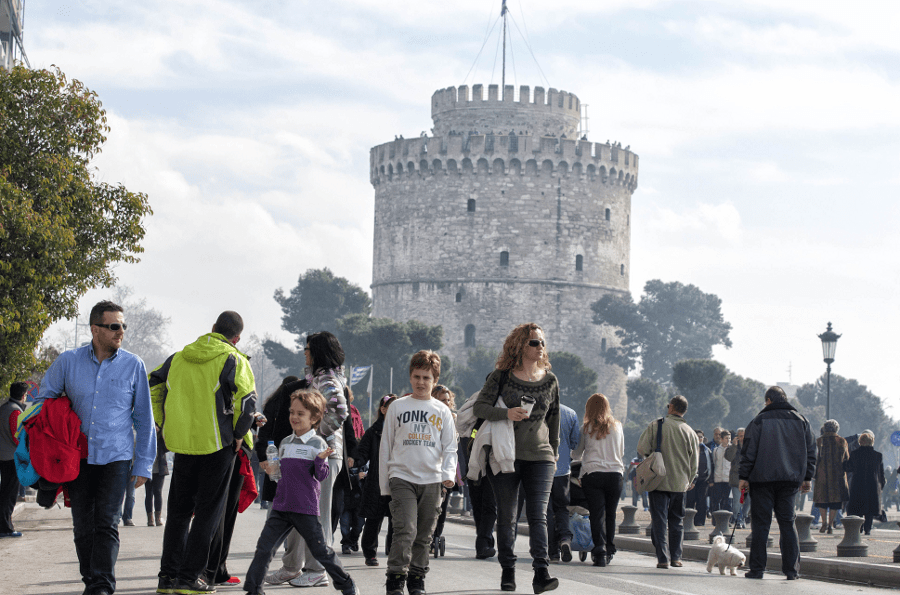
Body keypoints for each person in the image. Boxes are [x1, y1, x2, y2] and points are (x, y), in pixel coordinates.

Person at [38, 300, 156, 595]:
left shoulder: (133, 365)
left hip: (116, 457)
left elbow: (144, 418)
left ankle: (102, 584)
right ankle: (91, 579)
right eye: (114, 326)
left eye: (123, 326)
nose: (121, 332)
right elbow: (43, 402)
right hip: (77, 459)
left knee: (107, 522)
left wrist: (143, 464)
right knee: (82, 527)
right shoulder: (68, 362)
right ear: (95, 329)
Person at [150, 310, 257, 595]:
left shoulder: (178, 357)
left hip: (182, 444)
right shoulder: (234, 358)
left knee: (178, 512)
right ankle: (189, 578)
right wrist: (237, 435)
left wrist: (164, 421)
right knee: (208, 513)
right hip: (218, 446)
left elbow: (153, 386)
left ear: (212, 328)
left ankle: (168, 578)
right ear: (236, 338)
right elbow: (248, 403)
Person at [473, 323, 560, 594]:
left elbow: (554, 417)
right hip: (505, 455)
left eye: (542, 342)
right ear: (520, 345)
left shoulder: (551, 380)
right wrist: (507, 414)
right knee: (508, 517)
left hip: (541, 456)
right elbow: (480, 407)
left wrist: (554, 452)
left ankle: (541, 572)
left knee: (538, 516)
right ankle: (508, 570)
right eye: (534, 342)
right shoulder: (501, 377)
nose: (540, 347)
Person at [244, 389, 359, 595]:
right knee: (264, 549)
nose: (294, 417)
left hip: (305, 509)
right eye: (292, 412)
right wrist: (272, 471)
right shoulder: (286, 443)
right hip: (281, 506)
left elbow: (322, 476)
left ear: (314, 417)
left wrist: (320, 460)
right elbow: (279, 475)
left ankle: (347, 585)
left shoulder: (318, 444)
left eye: (300, 414)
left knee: (321, 551)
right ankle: (253, 590)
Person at [266, 332, 349, 589]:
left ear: (318, 352)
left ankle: (317, 569)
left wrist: (315, 432)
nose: (304, 352)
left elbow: (339, 410)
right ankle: (292, 567)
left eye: (308, 348)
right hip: (308, 455)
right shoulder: (319, 377)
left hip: (323, 455)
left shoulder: (326, 378)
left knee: (316, 516)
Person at [380, 351, 457, 595]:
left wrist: (449, 474)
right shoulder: (397, 407)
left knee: (424, 535)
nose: (421, 382)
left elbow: (450, 447)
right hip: (402, 477)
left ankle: (417, 579)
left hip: (433, 480)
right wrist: (384, 485)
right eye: (416, 376)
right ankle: (395, 578)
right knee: (405, 529)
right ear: (410, 377)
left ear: (435, 380)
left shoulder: (442, 411)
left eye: (426, 377)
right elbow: (386, 445)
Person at [739, 385, 816, 580]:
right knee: (787, 524)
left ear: (769, 401)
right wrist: (807, 477)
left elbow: (749, 452)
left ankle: (757, 569)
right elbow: (811, 451)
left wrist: (743, 476)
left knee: (761, 525)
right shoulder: (801, 421)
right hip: (790, 481)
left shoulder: (759, 421)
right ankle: (791, 571)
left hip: (762, 480)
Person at [637, 395, 698, 570]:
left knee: (659, 520)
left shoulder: (656, 425)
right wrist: (690, 480)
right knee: (677, 521)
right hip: (680, 483)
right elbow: (694, 463)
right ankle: (676, 557)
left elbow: (642, 449)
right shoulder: (690, 432)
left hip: (657, 481)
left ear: (671, 407)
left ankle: (662, 557)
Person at [573, 393, 624, 567]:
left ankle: (599, 550)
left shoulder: (586, 428)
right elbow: (621, 451)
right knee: (611, 514)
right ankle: (610, 548)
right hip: (615, 474)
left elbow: (577, 454)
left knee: (597, 514)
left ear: (589, 408)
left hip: (593, 474)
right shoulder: (618, 426)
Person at [355, 394, 396, 567]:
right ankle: (370, 553)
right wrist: (354, 462)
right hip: (376, 481)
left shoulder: (403, 430)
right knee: (374, 519)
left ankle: (393, 551)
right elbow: (362, 453)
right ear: (383, 409)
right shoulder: (373, 432)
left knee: (398, 519)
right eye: (391, 407)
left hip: (398, 480)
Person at [429, 385, 461, 556]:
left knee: (441, 507)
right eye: (442, 401)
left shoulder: (453, 419)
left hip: (446, 467)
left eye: (448, 400)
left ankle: (436, 536)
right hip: (429, 466)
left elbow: (454, 445)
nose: (447, 404)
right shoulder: (429, 416)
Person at [548, 403, 580, 563]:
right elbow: (575, 443)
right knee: (561, 509)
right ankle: (565, 538)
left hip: (542, 470)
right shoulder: (570, 413)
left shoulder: (536, 411)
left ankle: (552, 553)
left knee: (545, 512)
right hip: (563, 471)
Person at [843, 431, 885, 535]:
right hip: (873, 485)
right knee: (870, 510)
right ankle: (868, 529)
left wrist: (844, 461)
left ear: (860, 442)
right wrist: (881, 485)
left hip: (858, 484)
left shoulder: (855, 454)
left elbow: (848, 468)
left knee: (858, 508)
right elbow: (881, 473)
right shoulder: (878, 455)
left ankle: (859, 528)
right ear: (872, 442)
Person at [0, 381, 28, 538]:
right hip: (12, 458)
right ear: (23, 396)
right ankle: (6, 528)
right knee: (9, 495)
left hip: (3, 456)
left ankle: (4, 526)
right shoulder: (15, 412)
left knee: (4, 492)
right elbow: (17, 437)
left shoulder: (3, 408)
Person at [812, 419, 849, 535]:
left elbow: (814, 458)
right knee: (835, 501)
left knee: (822, 499)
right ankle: (831, 524)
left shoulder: (819, 441)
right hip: (837, 475)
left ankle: (823, 523)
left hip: (822, 474)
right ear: (836, 429)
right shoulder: (842, 441)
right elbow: (846, 459)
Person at [685, 429, 711, 526]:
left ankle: (700, 521)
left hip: (703, 480)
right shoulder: (689, 449)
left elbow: (711, 465)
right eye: (697, 436)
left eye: (701, 437)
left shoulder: (707, 450)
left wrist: (710, 479)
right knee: (690, 501)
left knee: (701, 501)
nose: (700, 438)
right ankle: (688, 521)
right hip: (691, 480)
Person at [725, 428, 749, 528]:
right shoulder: (732, 447)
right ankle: (738, 520)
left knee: (747, 502)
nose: (741, 438)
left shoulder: (751, 446)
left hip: (748, 479)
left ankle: (743, 518)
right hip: (736, 478)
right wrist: (734, 446)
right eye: (739, 436)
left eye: (743, 436)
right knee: (737, 502)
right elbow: (729, 458)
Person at [144, 426, 168, 527]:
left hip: (160, 468)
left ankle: (158, 518)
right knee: (148, 493)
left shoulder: (161, 437)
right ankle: (150, 519)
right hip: (147, 468)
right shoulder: (146, 437)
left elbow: (168, 448)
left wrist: (161, 433)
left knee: (158, 492)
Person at [709, 430, 731, 514]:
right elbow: (713, 464)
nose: (728, 440)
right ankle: (716, 520)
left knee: (727, 501)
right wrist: (711, 480)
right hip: (718, 479)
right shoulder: (716, 450)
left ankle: (726, 520)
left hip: (728, 479)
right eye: (726, 438)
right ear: (721, 439)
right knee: (716, 500)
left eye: (729, 438)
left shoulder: (732, 449)